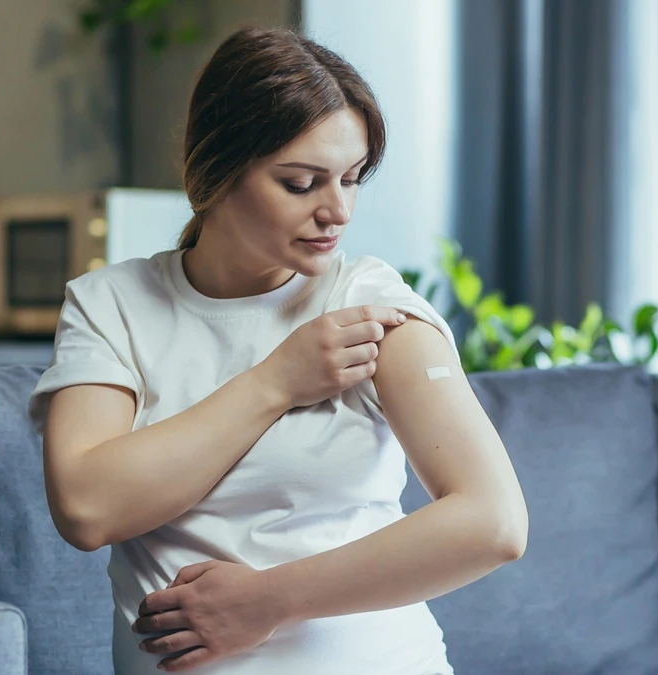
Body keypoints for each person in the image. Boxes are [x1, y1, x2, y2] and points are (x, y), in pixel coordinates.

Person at [28, 26, 528, 675]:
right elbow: (87, 508)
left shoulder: (369, 303)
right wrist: (276, 381)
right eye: (301, 183)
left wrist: (266, 600)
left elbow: (494, 521)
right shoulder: (112, 305)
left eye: (351, 178)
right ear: (215, 172)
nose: (337, 210)